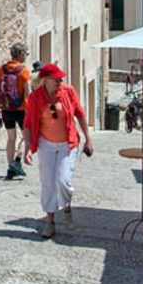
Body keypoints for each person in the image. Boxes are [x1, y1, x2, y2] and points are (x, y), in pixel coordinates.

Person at [22, 63, 92, 239]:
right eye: (57, 79)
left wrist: (88, 139)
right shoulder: (35, 97)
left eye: (61, 79)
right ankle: (50, 222)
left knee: (63, 180)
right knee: (47, 183)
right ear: (46, 81)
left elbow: (80, 114)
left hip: (67, 144)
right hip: (46, 144)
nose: (60, 82)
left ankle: (66, 207)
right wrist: (28, 148)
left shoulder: (68, 92)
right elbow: (28, 124)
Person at [0, 43, 32, 180]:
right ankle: (17, 160)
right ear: (21, 54)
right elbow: (28, 93)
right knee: (28, 137)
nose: (26, 57)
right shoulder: (24, 71)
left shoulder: (1, 69)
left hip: (6, 108)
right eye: (26, 54)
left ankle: (10, 167)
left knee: (11, 138)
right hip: (21, 110)